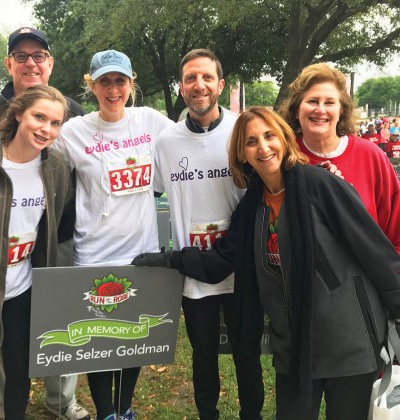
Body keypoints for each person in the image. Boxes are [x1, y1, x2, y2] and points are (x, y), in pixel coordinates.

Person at [133, 106, 400, 420]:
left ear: (284, 138)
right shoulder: (252, 207)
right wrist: (170, 258)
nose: (263, 147)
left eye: (269, 136)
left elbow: (373, 248)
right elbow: (220, 261)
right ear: (242, 153)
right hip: (293, 349)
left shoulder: (320, 184)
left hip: (347, 343)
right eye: (251, 141)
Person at [54, 49, 173, 420]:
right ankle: (106, 412)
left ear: (130, 83)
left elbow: (191, 145)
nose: (113, 88)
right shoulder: (74, 131)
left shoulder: (150, 122)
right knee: (100, 344)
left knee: (134, 340)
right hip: (93, 253)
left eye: (119, 80)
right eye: (104, 81)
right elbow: (39, 162)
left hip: (142, 251)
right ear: (91, 86)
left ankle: (124, 409)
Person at [153, 49, 263, 420]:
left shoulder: (242, 131)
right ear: (181, 87)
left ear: (220, 84)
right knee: (203, 354)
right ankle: (208, 415)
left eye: (206, 78)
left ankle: (251, 414)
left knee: (247, 351)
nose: (198, 85)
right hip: (195, 270)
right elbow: (146, 194)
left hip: (241, 265)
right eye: (190, 79)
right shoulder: (165, 143)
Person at [278, 62, 400, 358]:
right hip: (305, 310)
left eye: (330, 102)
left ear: (342, 110)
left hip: (367, 309)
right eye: (312, 101)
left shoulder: (370, 156)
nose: (320, 109)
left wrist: (394, 293)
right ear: (297, 108)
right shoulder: (283, 160)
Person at [0, 26, 89, 420]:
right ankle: (3, 401)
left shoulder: (74, 111)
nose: (31, 62)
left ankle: (61, 400)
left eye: (39, 55)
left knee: (58, 318)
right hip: (0, 243)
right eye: (22, 55)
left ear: (50, 62)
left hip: (56, 235)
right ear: (9, 62)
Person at [0, 85, 75, 420]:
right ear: (19, 113)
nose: (46, 129)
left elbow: (55, 221)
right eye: (39, 117)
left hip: (22, 288)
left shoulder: (56, 169)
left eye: (55, 123)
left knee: (19, 371)